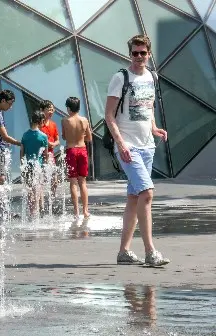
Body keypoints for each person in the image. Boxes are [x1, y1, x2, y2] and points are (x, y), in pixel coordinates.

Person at [105, 34, 169, 267]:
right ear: (129, 53)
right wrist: (121, 144)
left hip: (147, 146)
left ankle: (124, 251)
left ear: (149, 54)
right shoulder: (120, 78)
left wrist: (153, 128)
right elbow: (109, 116)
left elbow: (149, 105)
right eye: (135, 53)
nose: (139, 57)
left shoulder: (152, 77)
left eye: (143, 53)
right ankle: (151, 251)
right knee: (147, 193)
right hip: (128, 146)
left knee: (134, 197)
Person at [61, 97, 92, 219]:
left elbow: (64, 136)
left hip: (71, 150)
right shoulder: (84, 120)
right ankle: (85, 210)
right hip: (82, 149)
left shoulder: (65, 120)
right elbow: (89, 138)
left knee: (73, 182)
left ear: (68, 108)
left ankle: (76, 212)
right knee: (83, 182)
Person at [20, 110, 48, 217]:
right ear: (41, 121)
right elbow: (45, 154)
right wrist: (45, 167)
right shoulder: (43, 136)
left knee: (30, 189)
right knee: (38, 187)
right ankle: (37, 210)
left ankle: (32, 211)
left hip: (27, 165)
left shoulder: (25, 135)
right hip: (38, 166)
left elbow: (22, 152)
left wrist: (22, 166)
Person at [39, 100, 60, 209]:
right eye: (49, 109)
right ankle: (41, 206)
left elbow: (58, 140)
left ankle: (52, 201)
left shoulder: (53, 124)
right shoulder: (39, 124)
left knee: (54, 180)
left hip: (50, 155)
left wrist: (53, 144)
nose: (51, 112)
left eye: (52, 109)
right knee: (41, 181)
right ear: (42, 110)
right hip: (40, 156)